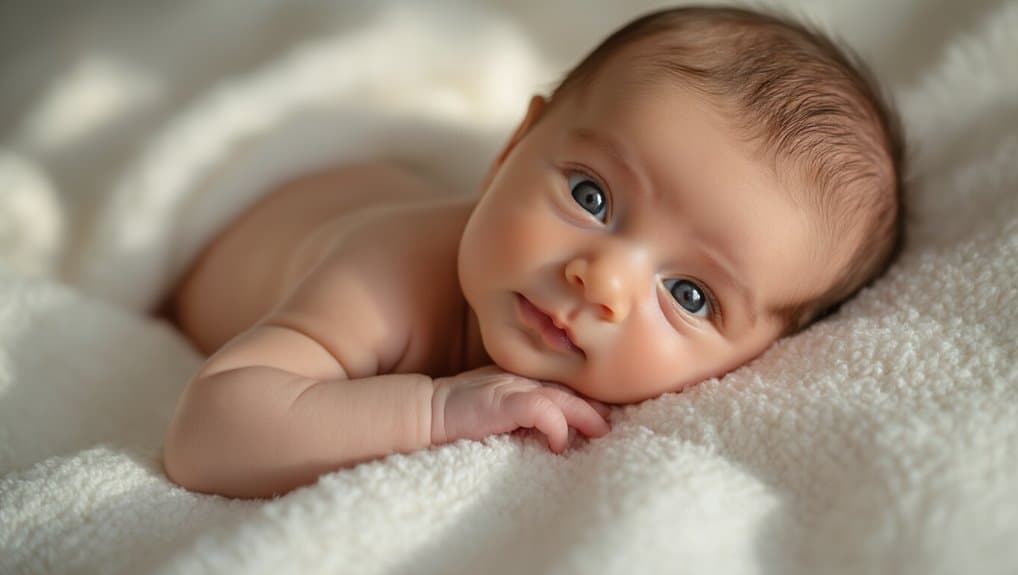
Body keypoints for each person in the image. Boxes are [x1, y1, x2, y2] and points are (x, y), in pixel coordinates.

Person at [160, 5, 905, 499]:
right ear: (513, 148)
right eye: (591, 197)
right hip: (254, 202)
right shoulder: (386, 269)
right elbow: (210, 432)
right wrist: (435, 408)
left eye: (689, 295)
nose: (603, 281)